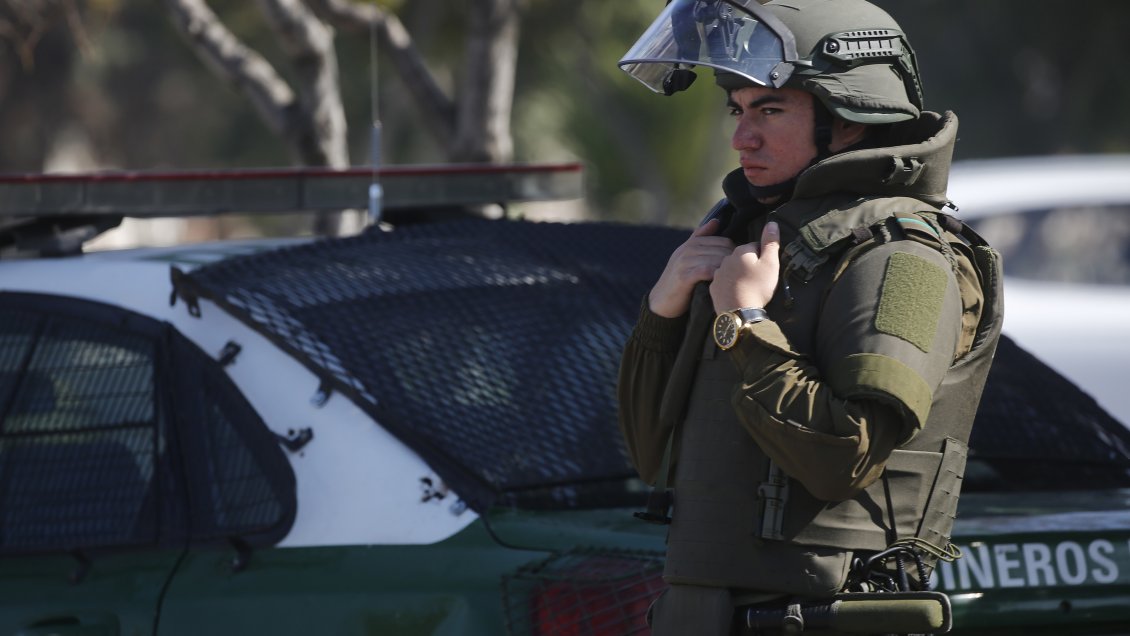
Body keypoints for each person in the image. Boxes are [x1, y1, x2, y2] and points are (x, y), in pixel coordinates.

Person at [615, 0, 1003, 633]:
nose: (743, 137)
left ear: (848, 122)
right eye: (737, 111)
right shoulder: (756, 246)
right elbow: (651, 458)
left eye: (770, 110)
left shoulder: (901, 258)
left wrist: (744, 321)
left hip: (819, 614)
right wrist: (663, 313)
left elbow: (842, 458)